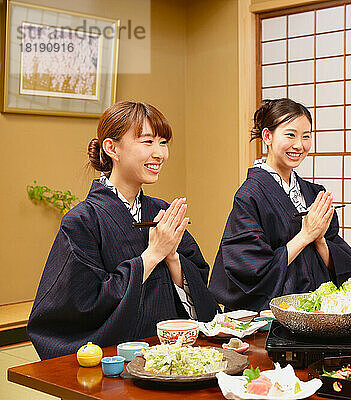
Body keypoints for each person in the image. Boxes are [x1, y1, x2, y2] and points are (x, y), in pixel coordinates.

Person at [28, 101, 219, 359]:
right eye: (147, 142)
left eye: (163, 143)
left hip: (173, 358)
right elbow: (82, 305)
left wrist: (173, 257)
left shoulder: (161, 211)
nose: (160, 153)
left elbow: (199, 284)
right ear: (112, 148)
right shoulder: (82, 220)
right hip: (117, 361)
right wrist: (152, 256)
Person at [208, 98, 351, 312]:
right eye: (290, 135)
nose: (299, 145)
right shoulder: (250, 195)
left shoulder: (313, 193)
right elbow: (250, 270)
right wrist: (305, 236)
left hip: (318, 312)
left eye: (306, 136)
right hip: (274, 316)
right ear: (267, 136)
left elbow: (346, 267)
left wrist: (319, 240)